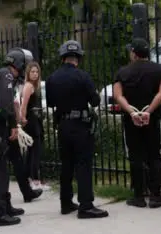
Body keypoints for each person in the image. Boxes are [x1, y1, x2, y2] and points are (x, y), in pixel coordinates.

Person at [46, 40, 108, 219]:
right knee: (83, 164)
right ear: (78, 58)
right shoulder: (83, 76)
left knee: (66, 165)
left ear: (62, 58)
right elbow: (95, 101)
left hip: (63, 125)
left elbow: (50, 103)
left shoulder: (52, 78)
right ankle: (86, 205)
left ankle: (65, 203)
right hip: (80, 125)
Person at [0, 48, 35, 227]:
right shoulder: (6, 76)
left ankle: (5, 206)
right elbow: (6, 105)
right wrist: (13, 126)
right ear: (19, 63)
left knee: (2, 170)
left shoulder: (2, 75)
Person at [112, 38, 161, 209]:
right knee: (154, 154)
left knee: (135, 155)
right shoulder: (160, 69)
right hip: (151, 119)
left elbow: (118, 95)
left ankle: (138, 195)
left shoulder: (123, 72)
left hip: (131, 121)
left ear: (133, 53)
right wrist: (148, 111)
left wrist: (132, 112)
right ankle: (156, 195)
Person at [19, 62, 49, 191]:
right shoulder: (29, 86)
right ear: (28, 73)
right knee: (35, 150)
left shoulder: (32, 86)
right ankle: (35, 180)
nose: (35, 74)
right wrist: (23, 118)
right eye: (32, 72)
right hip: (31, 120)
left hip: (34, 119)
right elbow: (23, 105)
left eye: (37, 72)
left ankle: (30, 178)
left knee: (32, 151)